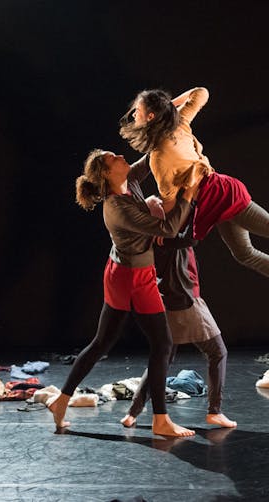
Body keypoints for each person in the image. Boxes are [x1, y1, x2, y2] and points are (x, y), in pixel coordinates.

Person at [119, 86, 269, 319]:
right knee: (244, 254)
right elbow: (201, 93)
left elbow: (170, 204)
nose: (134, 116)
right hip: (213, 201)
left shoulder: (159, 158)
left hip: (221, 196)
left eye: (138, 112)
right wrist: (167, 109)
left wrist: (160, 230)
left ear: (151, 117)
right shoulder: (179, 124)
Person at [47, 149, 200, 437]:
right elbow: (167, 228)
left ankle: (61, 401)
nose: (120, 155)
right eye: (112, 158)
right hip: (130, 278)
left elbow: (152, 157)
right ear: (107, 173)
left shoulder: (129, 181)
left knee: (104, 343)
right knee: (161, 344)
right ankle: (160, 419)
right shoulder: (117, 207)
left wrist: (168, 130)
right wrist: (188, 195)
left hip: (130, 271)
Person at [120, 201, 237, 429]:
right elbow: (192, 237)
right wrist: (195, 202)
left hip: (165, 302)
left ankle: (132, 413)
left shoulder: (147, 238)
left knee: (162, 358)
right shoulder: (166, 237)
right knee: (217, 352)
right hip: (185, 302)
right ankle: (215, 411)